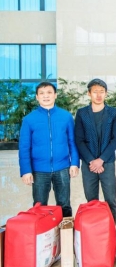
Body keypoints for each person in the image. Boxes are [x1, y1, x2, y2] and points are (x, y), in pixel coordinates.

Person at [18, 82, 80, 217]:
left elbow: (72, 141)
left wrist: (74, 163)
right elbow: (24, 147)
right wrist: (26, 170)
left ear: (55, 95)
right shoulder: (29, 119)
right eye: (42, 93)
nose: (46, 96)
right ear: (37, 97)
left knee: (64, 204)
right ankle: (43, 230)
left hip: (62, 167)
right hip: (39, 170)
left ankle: (66, 230)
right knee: (39, 206)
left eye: (49, 92)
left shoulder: (66, 116)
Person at [75, 79, 116, 246]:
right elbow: (79, 140)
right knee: (92, 201)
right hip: (88, 164)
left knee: (110, 200)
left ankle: (111, 233)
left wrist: (101, 160)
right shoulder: (82, 113)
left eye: (101, 91)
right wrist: (92, 161)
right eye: (95, 91)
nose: (98, 95)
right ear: (89, 94)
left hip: (107, 162)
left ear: (106, 93)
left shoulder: (113, 113)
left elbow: (115, 139)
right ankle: (95, 234)